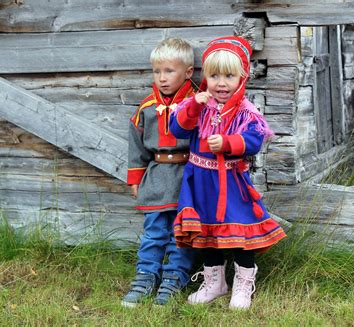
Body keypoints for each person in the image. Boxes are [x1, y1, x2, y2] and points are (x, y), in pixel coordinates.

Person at [169, 36, 286, 310]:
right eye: (214, 76)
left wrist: (228, 144)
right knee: (207, 232)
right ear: (205, 77)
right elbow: (177, 130)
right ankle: (215, 283)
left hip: (231, 183)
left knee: (241, 234)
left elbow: (254, 141)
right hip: (199, 182)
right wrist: (193, 105)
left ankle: (243, 283)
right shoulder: (198, 106)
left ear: (242, 77)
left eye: (229, 76)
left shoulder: (245, 112)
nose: (221, 83)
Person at [122, 38, 195, 307]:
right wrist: (135, 177)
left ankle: (175, 276)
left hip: (187, 177)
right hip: (156, 175)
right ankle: (146, 275)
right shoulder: (147, 108)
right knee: (154, 231)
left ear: (188, 72)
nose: (162, 78)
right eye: (157, 71)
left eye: (169, 71)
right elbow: (136, 144)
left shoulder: (196, 105)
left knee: (182, 231)